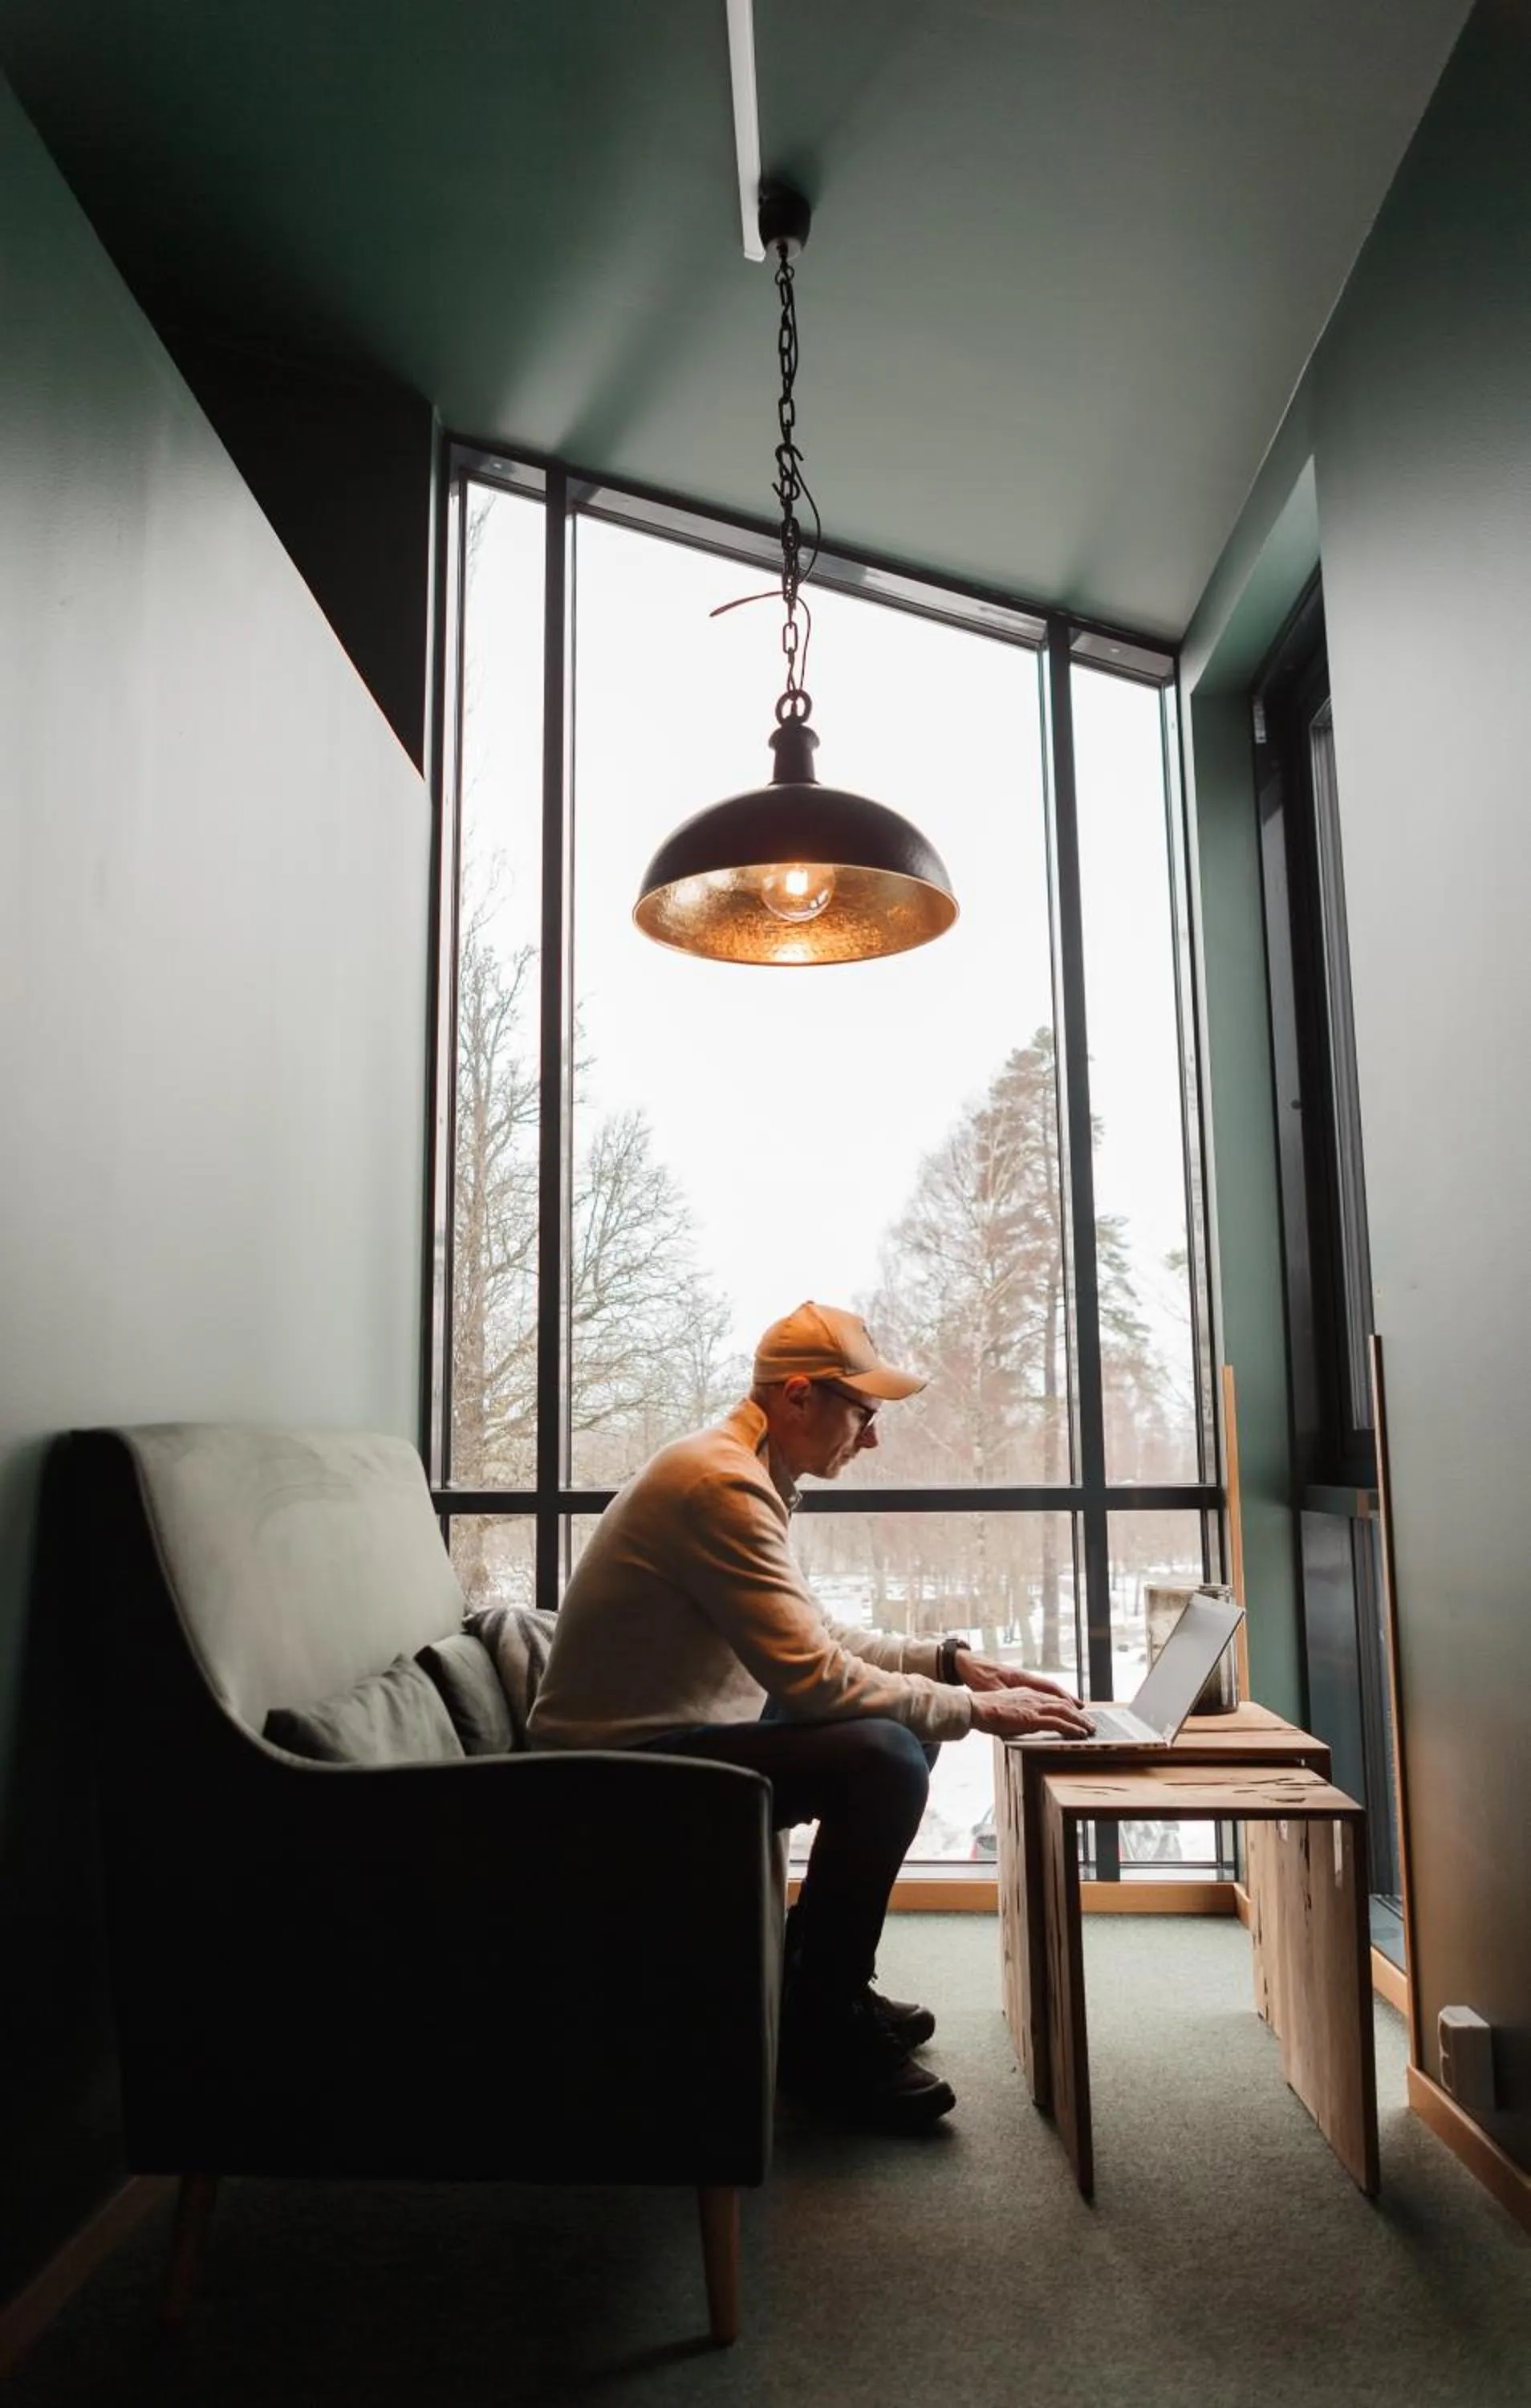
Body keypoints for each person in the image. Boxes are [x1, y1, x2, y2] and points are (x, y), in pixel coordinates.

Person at [528, 1300, 1094, 2131]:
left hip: (661, 1742)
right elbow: (822, 1680)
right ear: (799, 1397)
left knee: (904, 1735)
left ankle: (818, 1981)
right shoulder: (721, 1484)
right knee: (889, 1755)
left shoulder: (745, 1469)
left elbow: (814, 1635)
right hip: (617, 1776)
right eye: (862, 1414)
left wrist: (947, 1664)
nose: (871, 1439)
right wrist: (976, 1708)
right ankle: (822, 2033)